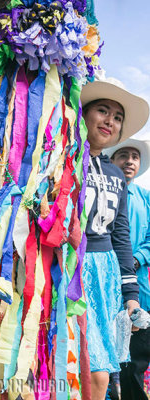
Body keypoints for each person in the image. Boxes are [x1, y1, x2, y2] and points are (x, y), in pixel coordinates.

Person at [80, 77, 149, 400]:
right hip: (68, 273)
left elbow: (121, 236)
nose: (110, 121)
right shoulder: (61, 160)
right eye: (102, 110)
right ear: (84, 114)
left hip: (104, 278)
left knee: (101, 373)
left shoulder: (115, 175)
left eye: (118, 117)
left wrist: (130, 296)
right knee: (78, 367)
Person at [105, 138, 150, 400]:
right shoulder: (100, 193)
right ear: (112, 160)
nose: (130, 161)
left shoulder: (145, 199)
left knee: (135, 361)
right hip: (103, 284)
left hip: (139, 291)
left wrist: (135, 258)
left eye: (135, 156)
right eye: (124, 155)